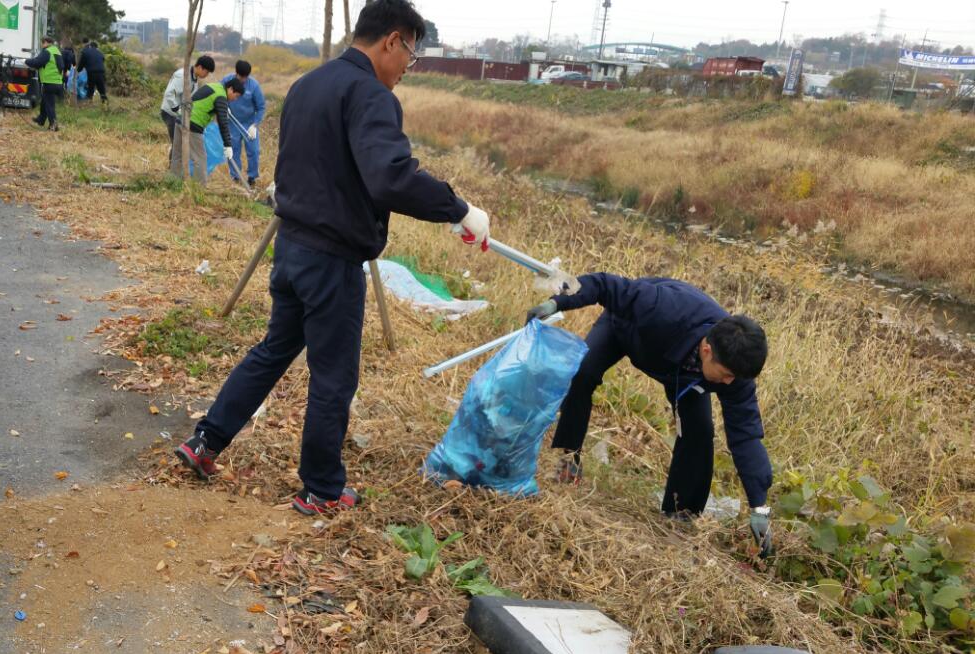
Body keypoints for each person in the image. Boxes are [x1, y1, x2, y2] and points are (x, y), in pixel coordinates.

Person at [175, 0, 492, 516]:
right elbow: (390, 175)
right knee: (333, 376)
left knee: (273, 350)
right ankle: (322, 489)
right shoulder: (371, 95)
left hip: (291, 246)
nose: (406, 71)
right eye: (410, 56)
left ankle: (206, 441)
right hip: (331, 261)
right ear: (392, 40)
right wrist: (458, 208)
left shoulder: (308, 84)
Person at [525, 274, 775, 557]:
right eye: (727, 376)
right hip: (628, 331)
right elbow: (604, 285)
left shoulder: (736, 370)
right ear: (708, 350)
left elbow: (747, 436)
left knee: (699, 431)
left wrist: (759, 506)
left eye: (735, 378)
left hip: (683, 371)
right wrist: (556, 303)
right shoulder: (662, 307)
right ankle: (569, 461)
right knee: (582, 374)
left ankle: (681, 515)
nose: (730, 384)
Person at [169, 77, 243, 184]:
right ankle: (199, 189)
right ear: (230, 89)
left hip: (181, 119)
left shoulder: (214, 86)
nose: (234, 99)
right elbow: (223, 123)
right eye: (236, 96)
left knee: (177, 154)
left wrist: (222, 107)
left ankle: (173, 182)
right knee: (200, 159)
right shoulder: (221, 96)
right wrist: (228, 145)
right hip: (193, 125)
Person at [222, 59, 266, 187]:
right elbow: (218, 95)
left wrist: (255, 125)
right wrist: (223, 107)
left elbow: (261, 107)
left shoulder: (254, 86)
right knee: (233, 150)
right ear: (236, 74)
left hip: (249, 124)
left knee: (254, 151)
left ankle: (252, 177)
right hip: (232, 122)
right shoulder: (227, 81)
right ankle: (235, 177)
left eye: (246, 77)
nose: (243, 80)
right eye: (241, 77)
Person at [161, 55, 215, 148]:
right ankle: (174, 163)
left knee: (183, 143)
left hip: (180, 114)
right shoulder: (182, 75)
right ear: (200, 67)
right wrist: (177, 110)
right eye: (207, 72)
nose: (207, 75)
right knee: (177, 144)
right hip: (170, 113)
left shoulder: (194, 78)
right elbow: (169, 94)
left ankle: (179, 162)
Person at [27, 36, 64, 131]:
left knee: (49, 105)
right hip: (58, 82)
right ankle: (41, 119)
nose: (41, 45)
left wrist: (25, 61)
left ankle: (54, 125)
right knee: (45, 101)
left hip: (49, 82)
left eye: (42, 43)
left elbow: (37, 62)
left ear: (46, 42)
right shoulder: (56, 51)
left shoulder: (47, 51)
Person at [78, 39, 107, 105]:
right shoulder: (100, 53)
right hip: (101, 72)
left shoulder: (85, 52)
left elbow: (81, 63)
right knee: (101, 88)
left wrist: (78, 71)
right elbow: (102, 60)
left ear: (90, 46)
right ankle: (104, 103)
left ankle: (89, 102)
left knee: (90, 88)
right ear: (97, 47)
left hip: (91, 73)